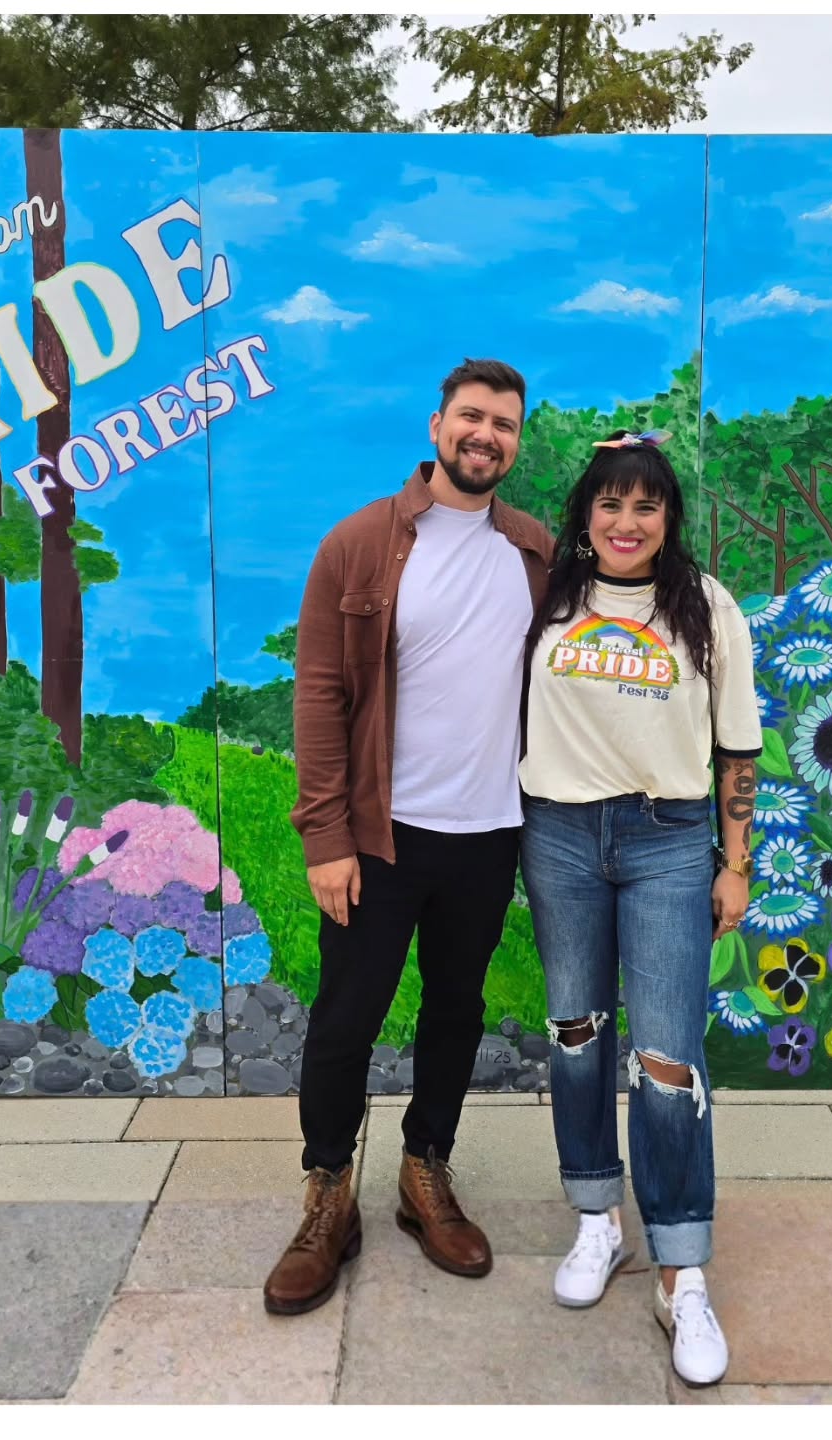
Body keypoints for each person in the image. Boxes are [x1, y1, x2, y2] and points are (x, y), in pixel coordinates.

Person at [264, 358, 554, 1317]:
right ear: (436, 426)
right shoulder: (361, 544)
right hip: (379, 839)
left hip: (488, 835)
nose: (486, 436)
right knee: (345, 1020)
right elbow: (318, 694)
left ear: (517, 440)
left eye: (504, 424)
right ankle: (326, 1198)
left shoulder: (535, 553)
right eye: (471, 417)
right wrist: (325, 838)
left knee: (454, 1013)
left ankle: (423, 1173)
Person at [517, 429, 760, 1386]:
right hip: (560, 835)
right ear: (585, 513)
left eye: (645, 506)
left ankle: (680, 1265)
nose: (625, 522)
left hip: (667, 839)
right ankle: (595, 1218)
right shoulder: (549, 599)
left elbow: (736, 748)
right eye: (609, 504)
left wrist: (734, 863)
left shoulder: (704, 607)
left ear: (668, 519)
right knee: (575, 1032)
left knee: (665, 1059)